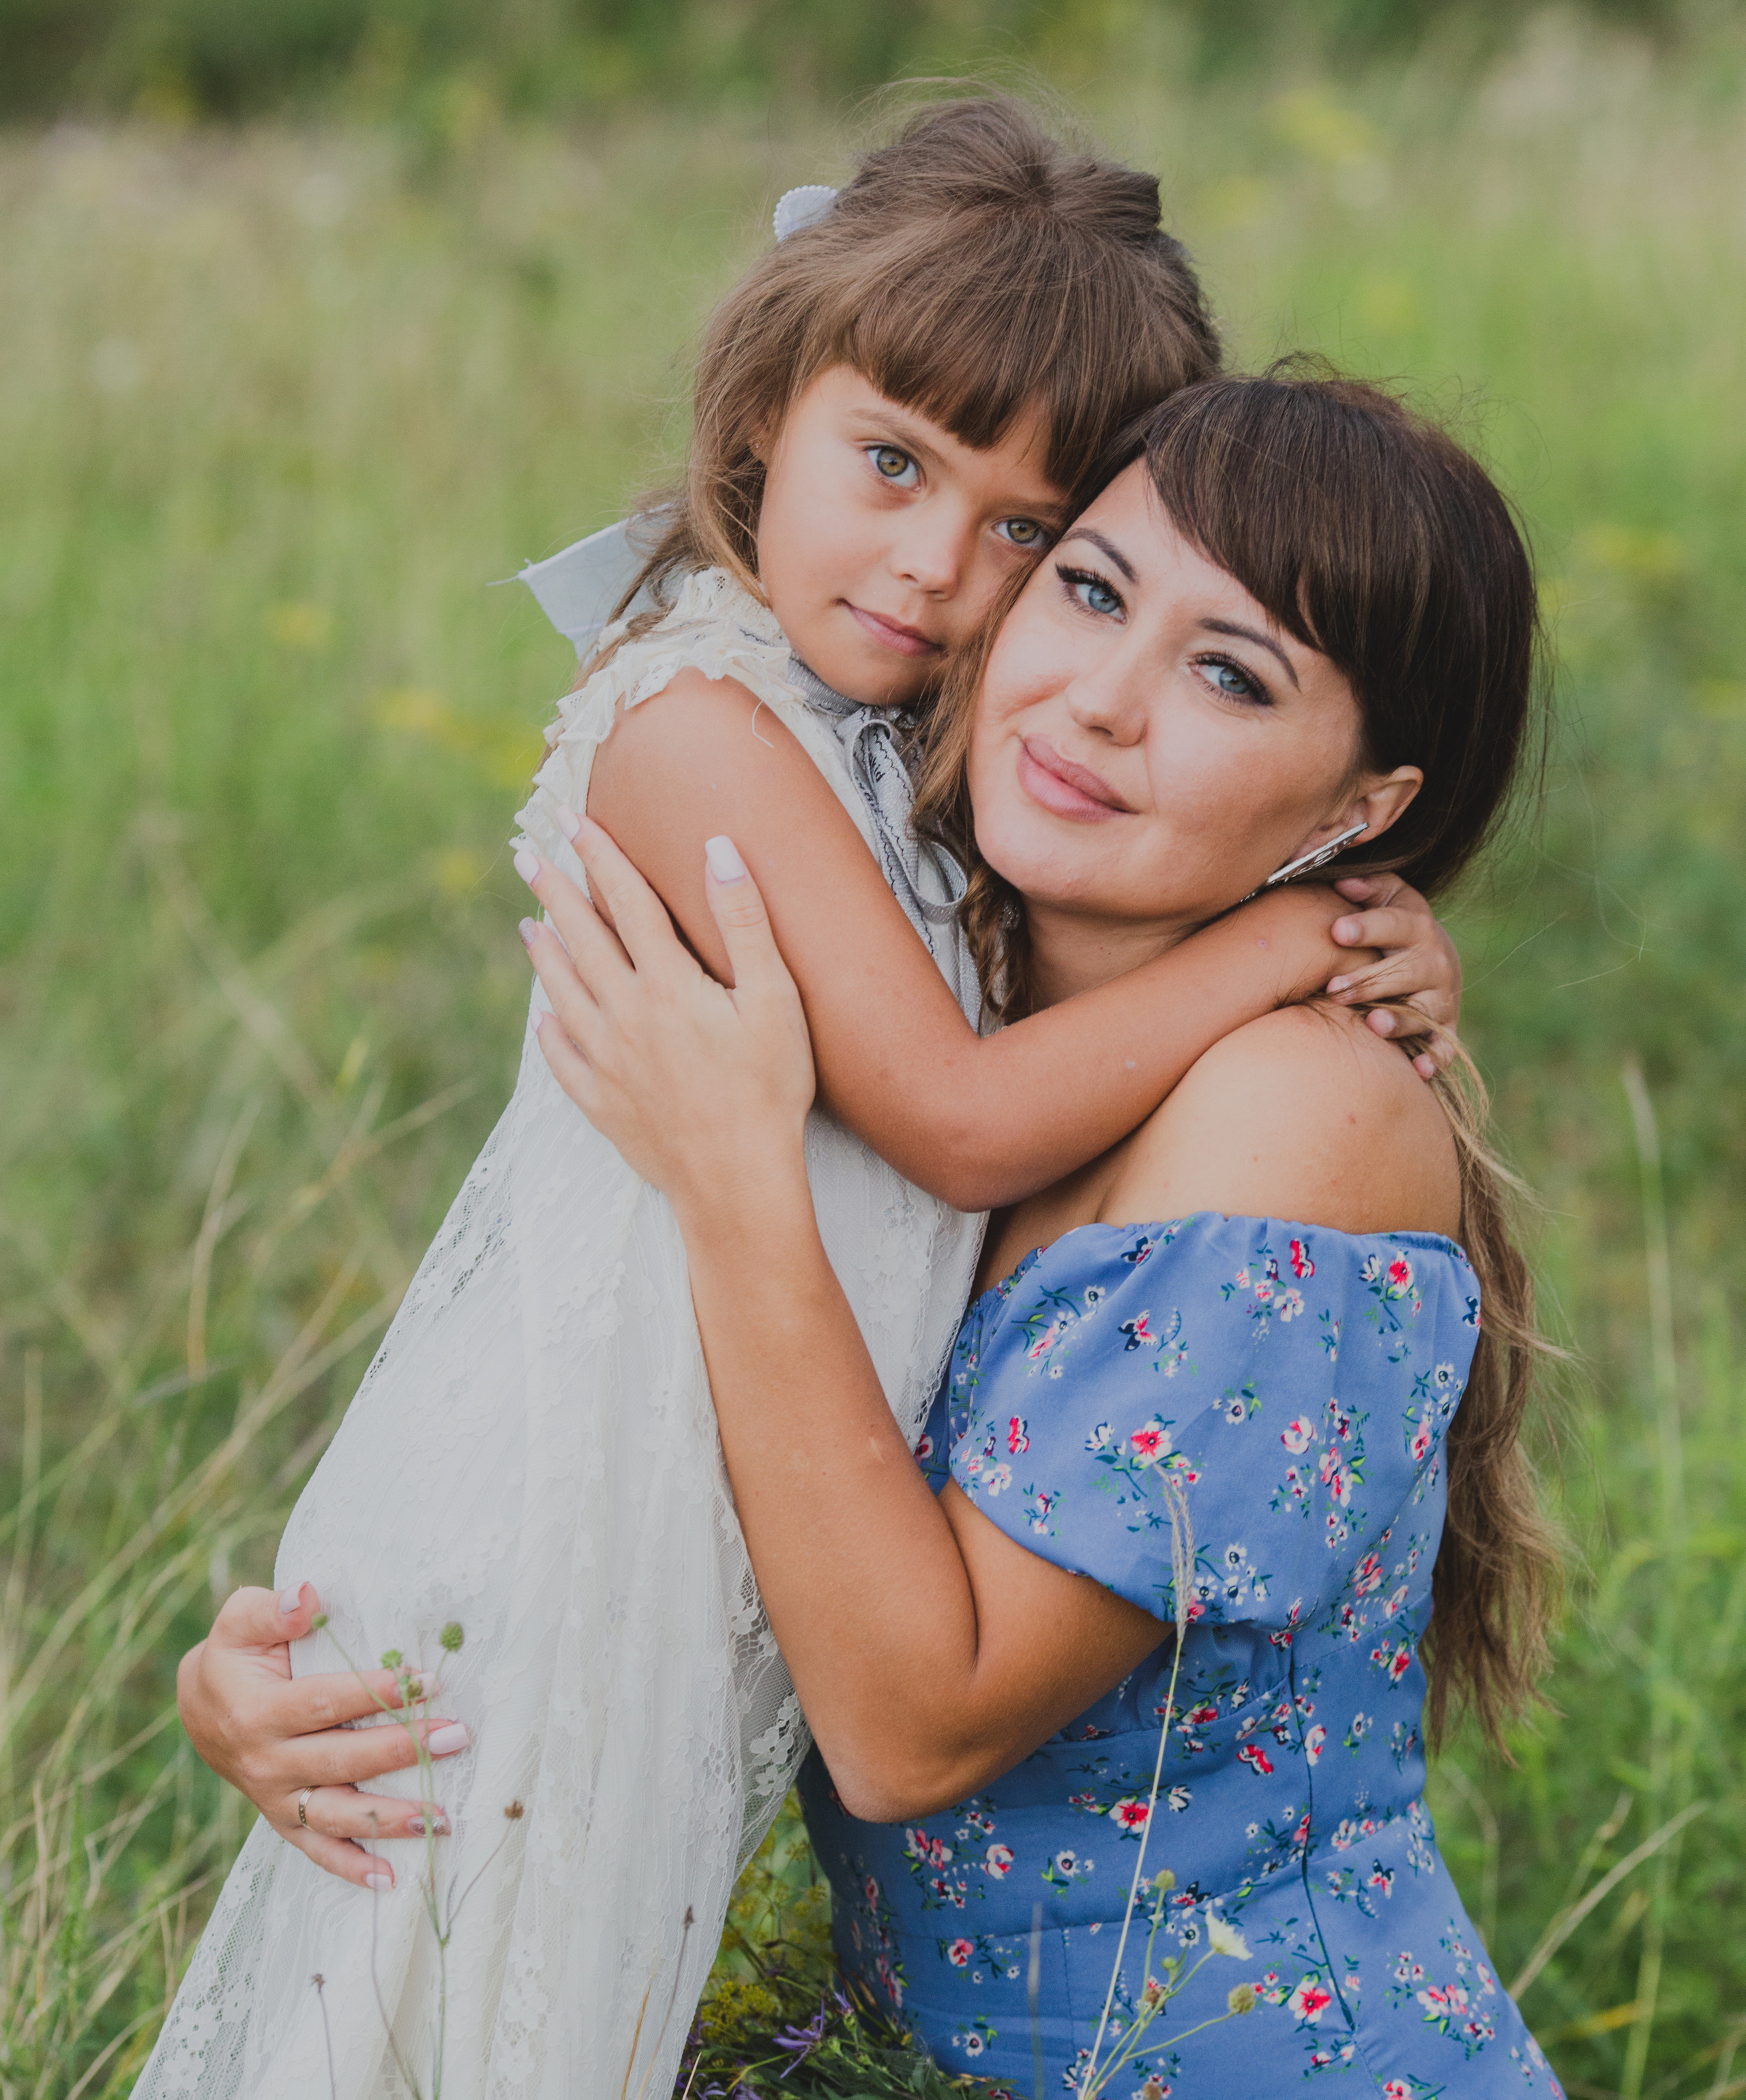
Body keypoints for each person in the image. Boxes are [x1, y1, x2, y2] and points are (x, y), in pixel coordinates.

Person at [152, 104, 1459, 2100]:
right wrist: (1287, 937)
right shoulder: (702, 718)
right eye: (895, 467)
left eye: (1026, 535)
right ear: (766, 412)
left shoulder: (998, 855)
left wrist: (1348, 948)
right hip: (561, 1554)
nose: (940, 570)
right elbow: (956, 1122)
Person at [519, 367, 1564, 2095]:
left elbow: (910, 1725)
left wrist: (734, 1182)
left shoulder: (1295, 1112)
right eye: (1087, 589)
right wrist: (341, 1663)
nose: (1099, 701)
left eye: (1227, 675)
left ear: (1356, 812)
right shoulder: (943, 1039)